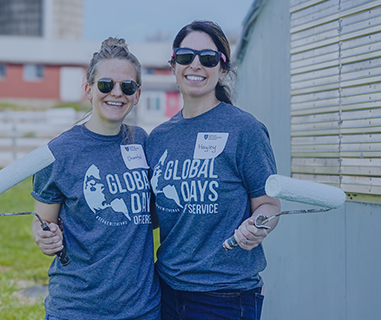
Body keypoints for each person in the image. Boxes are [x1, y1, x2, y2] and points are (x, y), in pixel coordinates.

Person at [145, 20, 281, 320]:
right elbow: (151, 215)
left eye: (207, 58)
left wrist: (258, 225)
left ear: (222, 69)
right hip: (165, 290)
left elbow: (269, 204)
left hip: (225, 296)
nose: (195, 65)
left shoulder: (245, 130)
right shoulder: (158, 139)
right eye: (185, 56)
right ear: (173, 65)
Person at [31, 37, 160, 320]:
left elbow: (153, 214)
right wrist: (45, 238)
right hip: (78, 308)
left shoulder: (142, 142)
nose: (117, 93)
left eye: (127, 86)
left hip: (141, 308)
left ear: (137, 94)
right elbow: (43, 222)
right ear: (89, 89)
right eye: (106, 84)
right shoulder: (59, 152)